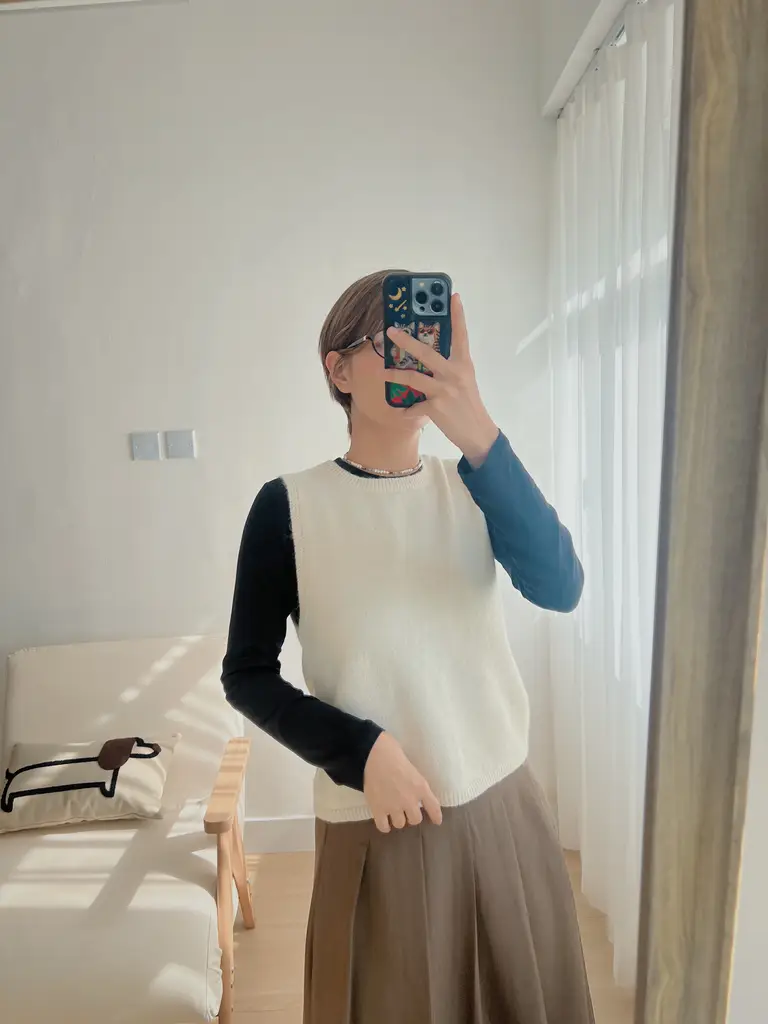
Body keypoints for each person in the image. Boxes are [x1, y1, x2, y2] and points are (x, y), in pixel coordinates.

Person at [222, 269, 595, 1024]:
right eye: (393, 343)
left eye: (431, 342)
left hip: (502, 809)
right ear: (339, 370)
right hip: (379, 824)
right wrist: (360, 752)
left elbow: (561, 587)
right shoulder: (289, 506)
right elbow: (248, 675)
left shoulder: (476, 484)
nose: (418, 360)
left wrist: (480, 433)